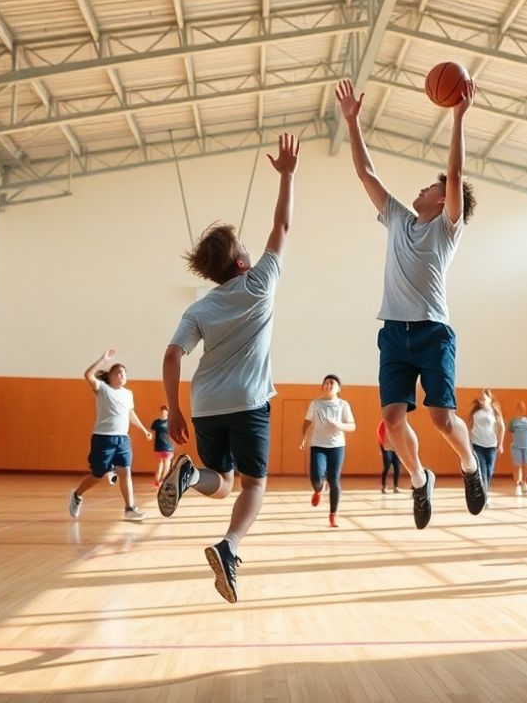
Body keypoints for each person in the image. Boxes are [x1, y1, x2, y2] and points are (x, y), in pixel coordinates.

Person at [335, 78, 487, 530]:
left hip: (432, 332)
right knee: (391, 421)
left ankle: (470, 467)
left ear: (441, 199)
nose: (420, 189)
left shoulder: (447, 228)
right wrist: (352, 122)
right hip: (393, 333)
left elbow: (455, 175)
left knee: (442, 418)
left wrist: (458, 117)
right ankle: (420, 480)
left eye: (429, 186)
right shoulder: (400, 218)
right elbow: (367, 174)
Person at [157, 133, 297, 604]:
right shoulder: (260, 283)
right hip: (249, 402)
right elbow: (282, 224)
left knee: (221, 480)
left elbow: (172, 355)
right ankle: (229, 546)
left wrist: (174, 411)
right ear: (241, 261)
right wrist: (287, 175)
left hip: (204, 402)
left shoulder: (200, 307)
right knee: (254, 485)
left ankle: (191, 476)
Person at [67, 350, 153, 522]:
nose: (122, 375)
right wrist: (103, 359)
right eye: (118, 373)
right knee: (97, 475)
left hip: (123, 439)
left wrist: (144, 430)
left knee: (126, 472)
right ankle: (77, 494)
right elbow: (88, 374)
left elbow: (130, 413)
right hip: (103, 438)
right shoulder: (102, 389)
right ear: (111, 376)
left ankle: (130, 508)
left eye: (124, 373)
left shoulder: (128, 394)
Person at [299, 374, 357, 527]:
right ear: (322, 386)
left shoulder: (343, 405)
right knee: (316, 477)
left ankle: (333, 514)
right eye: (326, 383)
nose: (329, 385)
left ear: (338, 388)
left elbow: (352, 426)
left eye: (332, 383)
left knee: (334, 479)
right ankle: (319, 490)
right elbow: (307, 421)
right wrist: (304, 438)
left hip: (337, 446)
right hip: (318, 445)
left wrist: (339, 425)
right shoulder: (316, 404)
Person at [468, 389, 504, 497]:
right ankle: (484, 497)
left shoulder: (495, 411)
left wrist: (500, 444)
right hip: (477, 445)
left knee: (489, 471)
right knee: (482, 471)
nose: (482, 398)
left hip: (491, 445)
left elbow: (501, 427)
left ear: (490, 399)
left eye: (485, 397)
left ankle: (483, 491)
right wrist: (468, 443)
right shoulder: (475, 412)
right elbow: (469, 427)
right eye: (481, 397)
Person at [507, 402, 527, 495]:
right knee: (517, 465)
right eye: (519, 407)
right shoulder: (513, 421)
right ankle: (517, 485)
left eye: (523, 407)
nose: (521, 409)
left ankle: (524, 481)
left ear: (525, 409)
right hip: (516, 447)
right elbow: (509, 432)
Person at [151, 405, 175, 488]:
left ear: (168, 412)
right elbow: (153, 434)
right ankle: (157, 481)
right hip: (158, 446)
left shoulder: (170, 422)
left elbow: (173, 434)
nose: (164, 412)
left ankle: (163, 481)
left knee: (167, 464)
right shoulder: (156, 422)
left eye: (165, 411)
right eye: (162, 410)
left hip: (168, 447)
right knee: (159, 464)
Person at [378, 420, 401, 493]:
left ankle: (396, 487)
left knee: (397, 466)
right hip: (386, 447)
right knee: (387, 466)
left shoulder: (399, 422)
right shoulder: (383, 423)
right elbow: (380, 434)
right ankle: (384, 487)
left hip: (396, 447)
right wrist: (384, 446)